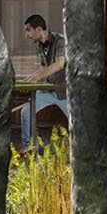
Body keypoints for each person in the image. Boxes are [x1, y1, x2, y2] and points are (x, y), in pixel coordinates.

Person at [22, 13, 70, 143]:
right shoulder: (40, 45)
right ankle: (28, 149)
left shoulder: (60, 41)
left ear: (38, 29)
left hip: (65, 92)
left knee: (77, 122)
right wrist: (27, 82)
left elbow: (60, 64)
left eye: (28, 30)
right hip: (48, 89)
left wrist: (36, 78)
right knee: (26, 113)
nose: (27, 34)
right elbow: (44, 68)